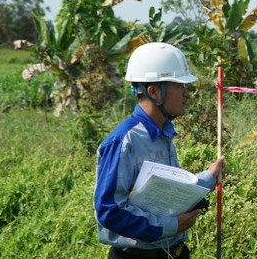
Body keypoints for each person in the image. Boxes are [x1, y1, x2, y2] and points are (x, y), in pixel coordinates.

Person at [94, 42, 225, 259]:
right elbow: (110, 211)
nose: (186, 94)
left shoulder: (164, 132)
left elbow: (167, 194)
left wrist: (208, 179)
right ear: (154, 92)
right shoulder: (124, 141)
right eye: (178, 86)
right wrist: (170, 225)